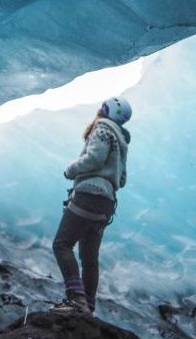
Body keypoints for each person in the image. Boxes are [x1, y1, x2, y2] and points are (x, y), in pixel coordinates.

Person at [50, 97, 132, 315]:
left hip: (88, 195)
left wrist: (71, 170)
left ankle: (76, 300)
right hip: (106, 204)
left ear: (106, 111)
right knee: (89, 258)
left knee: (62, 245)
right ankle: (88, 307)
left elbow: (94, 159)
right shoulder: (122, 142)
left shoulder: (103, 129)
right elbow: (121, 180)